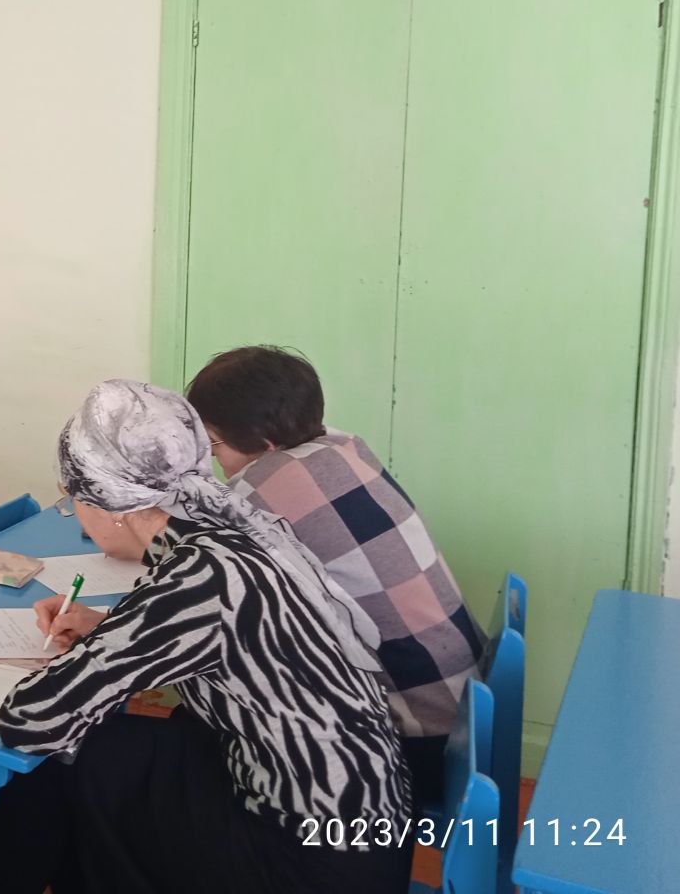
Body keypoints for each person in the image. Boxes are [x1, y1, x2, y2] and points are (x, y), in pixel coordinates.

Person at [0, 381, 412, 894]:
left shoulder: (198, 580)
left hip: (311, 861)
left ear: (111, 505)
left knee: (57, 761)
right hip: (361, 820)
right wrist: (104, 630)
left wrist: (88, 655)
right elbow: (205, 634)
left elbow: (31, 721)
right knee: (101, 757)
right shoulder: (231, 534)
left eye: (73, 503)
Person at [186, 345, 486, 809]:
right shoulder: (343, 446)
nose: (213, 460)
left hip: (415, 739)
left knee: (214, 723)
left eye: (214, 444)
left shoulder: (257, 492)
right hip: (467, 708)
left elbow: (200, 593)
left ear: (264, 442)